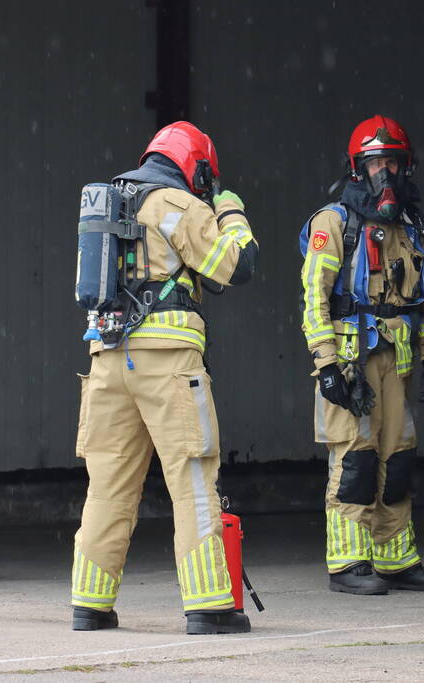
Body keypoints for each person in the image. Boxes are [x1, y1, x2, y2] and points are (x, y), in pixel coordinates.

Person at [71, 121, 258, 633]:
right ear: (195, 167)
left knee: (107, 486)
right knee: (193, 481)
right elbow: (237, 266)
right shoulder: (179, 205)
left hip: (108, 361)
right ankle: (209, 607)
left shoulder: (112, 200)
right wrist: (231, 211)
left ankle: (89, 605)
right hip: (166, 364)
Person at [299, 115, 424, 595]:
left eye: (393, 161)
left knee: (397, 459)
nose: (386, 171)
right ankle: (347, 564)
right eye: (375, 161)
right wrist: (324, 365)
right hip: (350, 364)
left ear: (408, 166)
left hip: (396, 363)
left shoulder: (411, 226)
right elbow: (313, 298)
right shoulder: (334, 223)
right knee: (355, 461)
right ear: (357, 168)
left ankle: (395, 560)